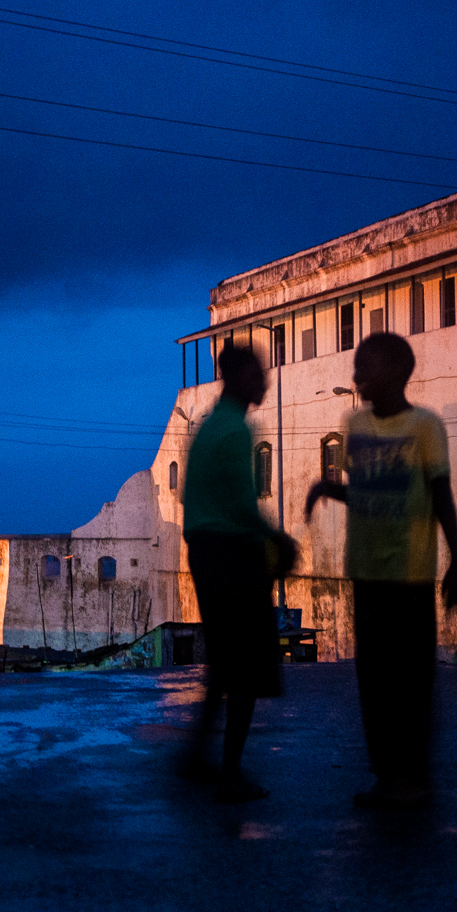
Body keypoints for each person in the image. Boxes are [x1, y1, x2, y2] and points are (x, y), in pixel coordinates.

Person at [306, 332, 457, 810]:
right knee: (373, 679)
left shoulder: (425, 427)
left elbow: (441, 495)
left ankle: (413, 774)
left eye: (365, 367)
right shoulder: (353, 424)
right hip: (366, 570)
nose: (357, 377)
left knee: (412, 678)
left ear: (398, 372)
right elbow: (365, 492)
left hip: (410, 571)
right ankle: (386, 775)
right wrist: (327, 489)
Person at [181, 344, 298, 803]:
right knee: (245, 668)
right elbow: (241, 505)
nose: (263, 380)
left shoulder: (210, 427)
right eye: (256, 373)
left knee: (224, 662)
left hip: (205, 551)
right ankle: (230, 772)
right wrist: (279, 540)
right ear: (235, 378)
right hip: (231, 553)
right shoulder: (235, 430)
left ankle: (197, 756)